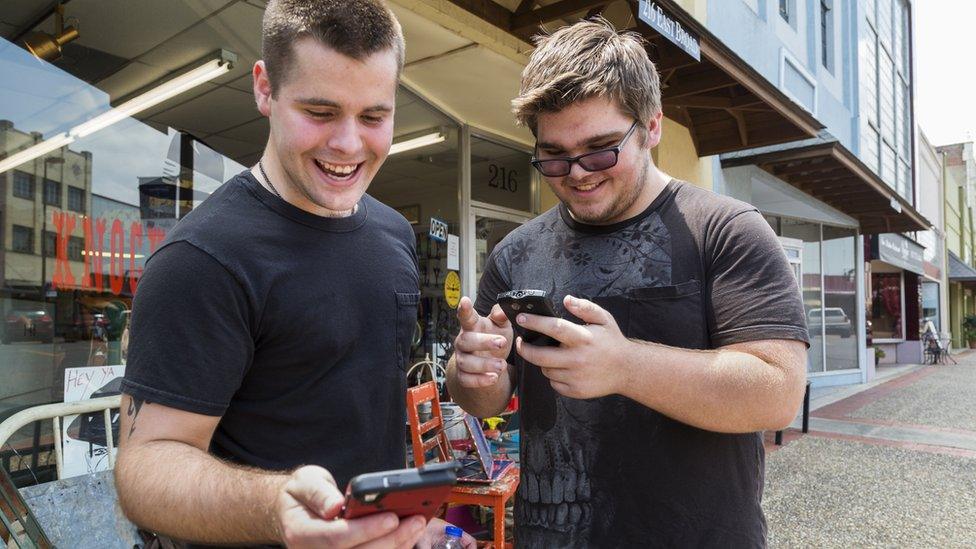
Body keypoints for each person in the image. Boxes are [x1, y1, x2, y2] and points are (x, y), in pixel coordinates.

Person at [115, 1, 473, 548]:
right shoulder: (202, 258)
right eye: (321, 112)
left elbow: (361, 420)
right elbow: (144, 471)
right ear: (264, 88)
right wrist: (275, 507)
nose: (349, 145)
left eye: (374, 116)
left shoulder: (394, 234)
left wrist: (413, 526)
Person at [447, 18, 809, 548]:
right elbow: (487, 399)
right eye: (553, 155)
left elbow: (777, 392)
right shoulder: (515, 251)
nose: (576, 173)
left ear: (653, 126)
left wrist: (624, 365)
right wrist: (471, 373)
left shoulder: (724, 230)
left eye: (599, 149)